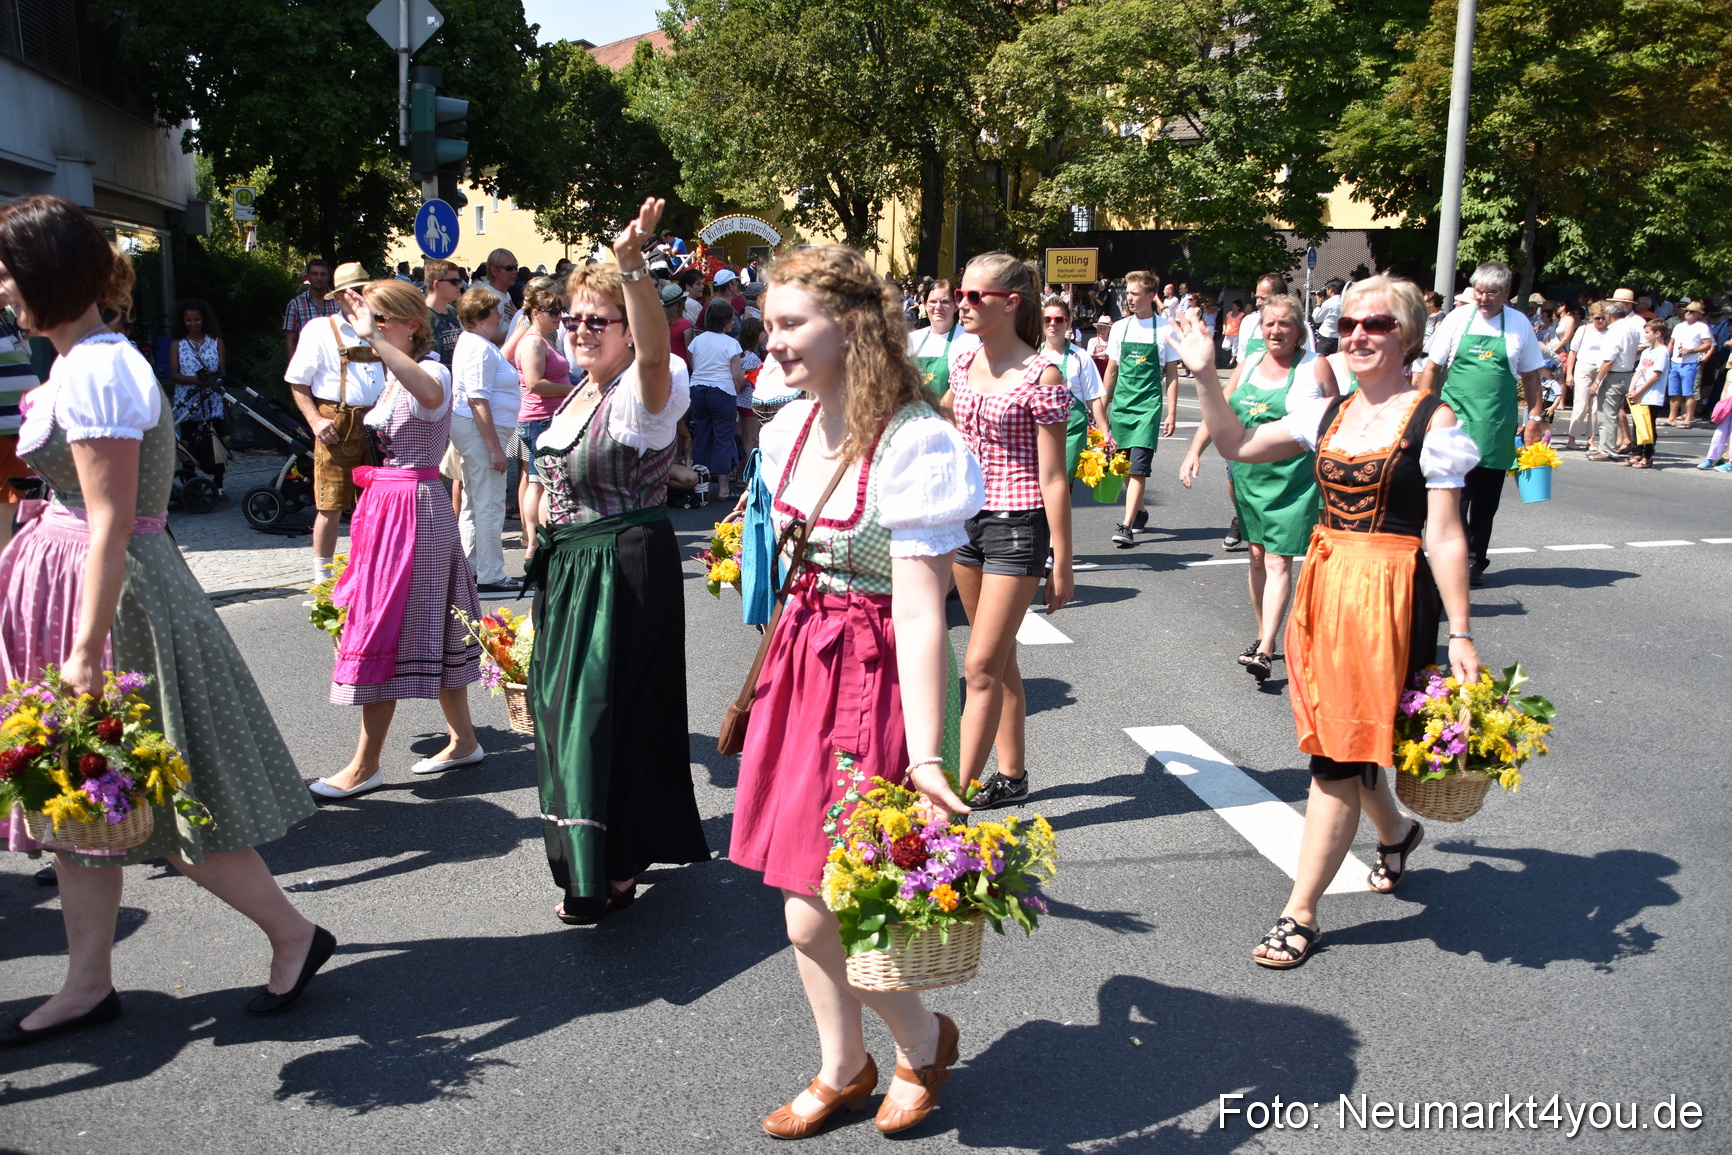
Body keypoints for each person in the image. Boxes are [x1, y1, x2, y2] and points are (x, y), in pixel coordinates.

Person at [0, 194, 334, 1041]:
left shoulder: (99, 369)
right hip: (85, 587)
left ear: (45, 273)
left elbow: (112, 520)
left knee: (168, 795)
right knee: (78, 798)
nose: (1, 289)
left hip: (114, 602)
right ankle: (87, 981)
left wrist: (81, 647)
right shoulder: (80, 359)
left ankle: (294, 933)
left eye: (8, 272)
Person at [729, 244, 979, 1138]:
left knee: (827, 898)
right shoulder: (787, 429)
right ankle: (845, 1063)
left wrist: (928, 753)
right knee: (800, 886)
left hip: (872, 671)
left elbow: (920, 612)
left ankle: (918, 1039)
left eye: (792, 323)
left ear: (854, 325)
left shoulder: (916, 441)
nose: (777, 340)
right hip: (803, 660)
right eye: (771, 324)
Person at [1177, 274, 1481, 969]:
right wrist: (1203, 376)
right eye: (1348, 325)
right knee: (1346, 735)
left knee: (1337, 755)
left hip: (1392, 594)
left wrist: (1460, 629)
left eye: (1376, 324)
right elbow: (1238, 445)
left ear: (1406, 335)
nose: (1360, 336)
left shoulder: (1433, 420)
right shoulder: (1328, 412)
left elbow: (1447, 536)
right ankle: (1396, 832)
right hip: (1327, 585)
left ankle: (1300, 909)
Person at [526, 198, 709, 925]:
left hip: (623, 561)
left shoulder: (645, 388)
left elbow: (659, 352)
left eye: (596, 321)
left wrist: (632, 264)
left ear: (629, 331)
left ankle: (616, 860)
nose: (580, 331)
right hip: (570, 568)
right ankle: (593, 853)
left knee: (607, 714)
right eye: (573, 319)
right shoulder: (578, 393)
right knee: (562, 710)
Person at [309, 280, 482, 800]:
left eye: (383, 320)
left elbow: (430, 396)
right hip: (392, 506)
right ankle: (465, 739)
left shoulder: (432, 369)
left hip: (416, 509)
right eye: (371, 320)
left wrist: (376, 338)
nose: (372, 328)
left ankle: (366, 765)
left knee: (386, 625)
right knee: (427, 621)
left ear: (413, 325)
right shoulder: (390, 373)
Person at [944, 255, 1074, 807]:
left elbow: (1053, 475)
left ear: (1011, 302)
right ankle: (1013, 775)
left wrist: (1063, 561)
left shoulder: (1040, 375)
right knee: (997, 661)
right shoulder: (965, 357)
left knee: (978, 667)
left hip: (1018, 525)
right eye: (961, 294)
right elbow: (940, 417)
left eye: (977, 296)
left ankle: (949, 805)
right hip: (967, 521)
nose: (964, 304)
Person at [1179, 292, 1337, 681]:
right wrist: (1194, 451)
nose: (1276, 330)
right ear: (1260, 328)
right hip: (1250, 476)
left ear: (1300, 329)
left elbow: (1337, 423)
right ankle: (1263, 630)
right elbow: (1220, 409)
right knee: (1255, 555)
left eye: (1284, 323)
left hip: (1296, 480)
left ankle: (1266, 648)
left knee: (1278, 559)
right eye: (1269, 323)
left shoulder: (1316, 367)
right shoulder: (1248, 364)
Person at [1414, 262, 1544, 586]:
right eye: (1479, 292)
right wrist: (1423, 409)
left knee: (1486, 502)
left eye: (1491, 293)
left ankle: (1475, 561)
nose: (1483, 299)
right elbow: (1431, 368)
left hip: (1497, 423)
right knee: (1455, 495)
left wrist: (1535, 419)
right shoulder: (1458, 319)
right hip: (1455, 420)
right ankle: (1453, 556)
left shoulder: (1518, 325)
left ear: (1506, 293)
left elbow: (1531, 377)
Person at [285, 262, 388, 586]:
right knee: (330, 503)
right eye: (352, 293)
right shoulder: (319, 329)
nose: (358, 298)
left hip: (375, 421)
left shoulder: (382, 328)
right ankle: (323, 579)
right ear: (339, 297)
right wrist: (315, 420)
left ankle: (367, 571)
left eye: (363, 291)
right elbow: (298, 383)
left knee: (375, 504)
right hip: (337, 421)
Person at [450, 288, 521, 593]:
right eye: (495, 311)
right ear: (481, 316)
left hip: (476, 429)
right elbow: (478, 399)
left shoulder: (476, 343)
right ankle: (490, 573)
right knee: (490, 502)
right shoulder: (478, 347)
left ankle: (474, 567)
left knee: (475, 501)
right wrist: (495, 447)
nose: (499, 315)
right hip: (480, 431)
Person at [1103, 270, 1181, 547]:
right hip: (1122, 406)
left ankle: (1125, 525)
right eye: (1128, 293)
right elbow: (1111, 371)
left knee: (1138, 468)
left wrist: (1171, 413)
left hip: (1148, 408)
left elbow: (1171, 374)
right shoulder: (1120, 327)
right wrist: (1102, 407)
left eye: (1135, 294)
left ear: (1150, 296)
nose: (1129, 298)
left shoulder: (1165, 329)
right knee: (1122, 467)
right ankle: (1141, 510)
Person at [511, 281, 574, 562]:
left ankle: (535, 541)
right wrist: (572, 390)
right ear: (536, 312)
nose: (558, 316)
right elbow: (535, 383)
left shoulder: (542, 338)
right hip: (540, 418)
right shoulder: (534, 341)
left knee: (538, 480)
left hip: (543, 417)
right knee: (541, 482)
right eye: (552, 312)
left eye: (560, 311)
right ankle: (537, 541)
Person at [1041, 297, 1110, 482]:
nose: (1052, 324)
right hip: (1039, 432)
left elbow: (1093, 398)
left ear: (1068, 322)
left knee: (1061, 483)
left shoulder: (1080, 357)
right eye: (1047, 319)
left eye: (1059, 320)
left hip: (1071, 432)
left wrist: (1105, 435)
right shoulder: (1032, 355)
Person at [167, 299, 229, 499]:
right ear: (182, 322)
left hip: (213, 400)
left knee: (215, 440)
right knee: (188, 442)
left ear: (204, 320)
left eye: (196, 319)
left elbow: (223, 371)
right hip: (187, 400)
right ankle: (191, 484)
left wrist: (211, 376)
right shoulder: (178, 344)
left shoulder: (216, 342)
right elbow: (174, 374)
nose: (193, 323)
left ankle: (218, 485)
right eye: (188, 320)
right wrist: (195, 380)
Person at [686, 298, 745, 500]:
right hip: (722, 391)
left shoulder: (697, 341)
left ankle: (701, 487)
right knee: (724, 438)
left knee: (701, 436)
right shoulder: (732, 343)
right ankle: (723, 489)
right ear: (725, 321)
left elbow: (694, 365)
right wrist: (735, 390)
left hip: (697, 389)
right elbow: (737, 375)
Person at [0, 303, 37, 554]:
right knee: (6, 505)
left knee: (14, 503)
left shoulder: (11, 319)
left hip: (20, 429)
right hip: (4, 430)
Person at [1588, 293, 1643, 462]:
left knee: (1607, 414)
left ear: (1610, 315)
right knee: (1618, 413)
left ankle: (1607, 449)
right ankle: (1613, 447)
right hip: (1627, 374)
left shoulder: (1614, 331)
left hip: (1614, 376)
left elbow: (1608, 359)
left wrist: (1596, 381)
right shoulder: (1632, 329)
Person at [906, 280, 981, 392]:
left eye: (945, 302)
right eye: (932, 302)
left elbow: (963, 388)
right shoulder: (913, 338)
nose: (938, 307)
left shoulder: (968, 340)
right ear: (925, 305)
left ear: (956, 306)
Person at [1565, 302, 1610, 450]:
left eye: (1604, 318)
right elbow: (1573, 352)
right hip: (1584, 366)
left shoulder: (1609, 332)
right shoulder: (1583, 330)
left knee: (1597, 406)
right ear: (1591, 317)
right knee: (1580, 403)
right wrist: (1569, 374)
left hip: (1601, 368)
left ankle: (1591, 438)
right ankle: (1572, 437)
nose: (1600, 321)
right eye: (1597, 318)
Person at [1628, 320, 1670, 469]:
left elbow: (1655, 376)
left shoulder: (1662, 352)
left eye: (1647, 332)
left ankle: (1647, 456)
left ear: (1658, 333)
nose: (1644, 335)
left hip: (1651, 395)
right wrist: (1632, 389)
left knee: (1648, 426)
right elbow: (1638, 372)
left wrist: (1639, 391)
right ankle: (1636, 453)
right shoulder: (1647, 352)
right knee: (1638, 425)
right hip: (1639, 394)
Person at [1667, 301, 1712, 428]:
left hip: (1690, 362)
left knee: (1688, 392)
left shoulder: (1701, 327)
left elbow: (1707, 344)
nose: (1688, 313)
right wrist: (1666, 355)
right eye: (1687, 310)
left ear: (1698, 314)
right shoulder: (1679, 326)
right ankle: (1671, 418)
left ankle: (1688, 419)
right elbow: (1672, 342)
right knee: (1673, 392)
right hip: (1675, 361)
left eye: (1691, 311)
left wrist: (1691, 350)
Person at [282, 258, 337, 361]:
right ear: (308, 276)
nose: (319, 278)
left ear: (329, 276)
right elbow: (290, 340)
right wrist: (294, 368)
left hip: (337, 361)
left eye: (323, 274)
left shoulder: (340, 301)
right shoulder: (296, 305)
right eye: (315, 274)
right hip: (308, 362)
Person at [422, 258, 464, 367]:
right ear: (437, 285)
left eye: (460, 281)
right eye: (455, 282)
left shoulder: (452, 311)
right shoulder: (422, 315)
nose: (460, 286)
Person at [475, 249, 520, 330]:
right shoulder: (486, 297)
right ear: (494, 271)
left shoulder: (507, 294)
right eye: (508, 268)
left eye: (515, 267)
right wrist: (519, 327)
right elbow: (484, 336)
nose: (514, 272)